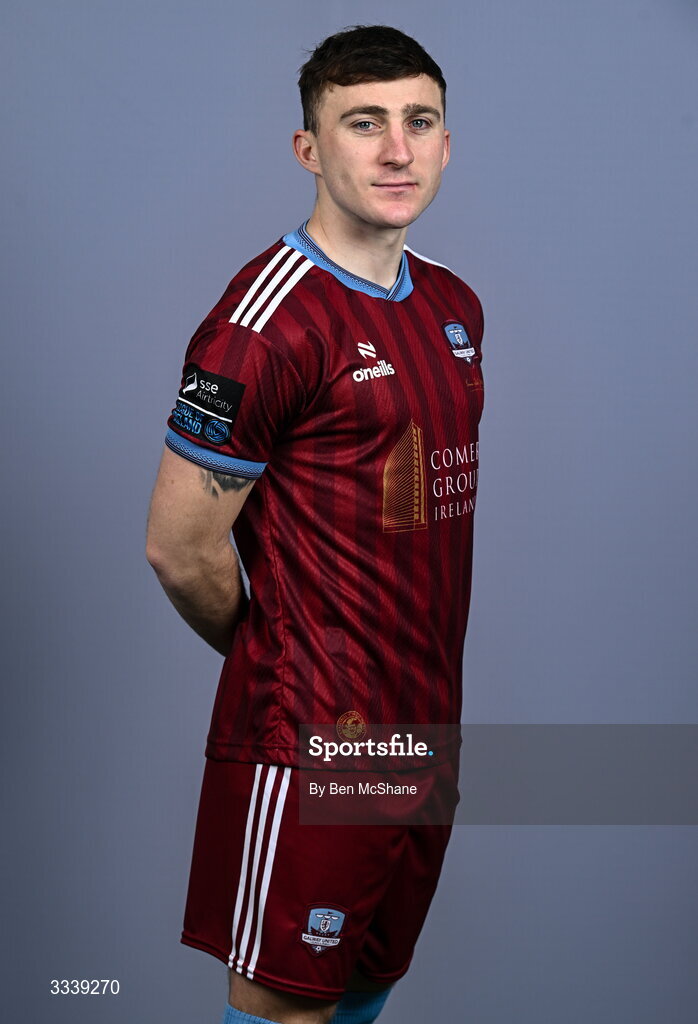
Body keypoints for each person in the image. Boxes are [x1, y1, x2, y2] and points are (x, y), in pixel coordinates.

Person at [146, 24, 484, 1024]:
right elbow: (178, 547)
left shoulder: (452, 305)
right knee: (289, 1005)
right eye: (362, 123)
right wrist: (284, 659)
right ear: (310, 149)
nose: (395, 149)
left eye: (417, 121)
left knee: (368, 986)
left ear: (445, 142)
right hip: (313, 737)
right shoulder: (264, 324)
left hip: (419, 730)